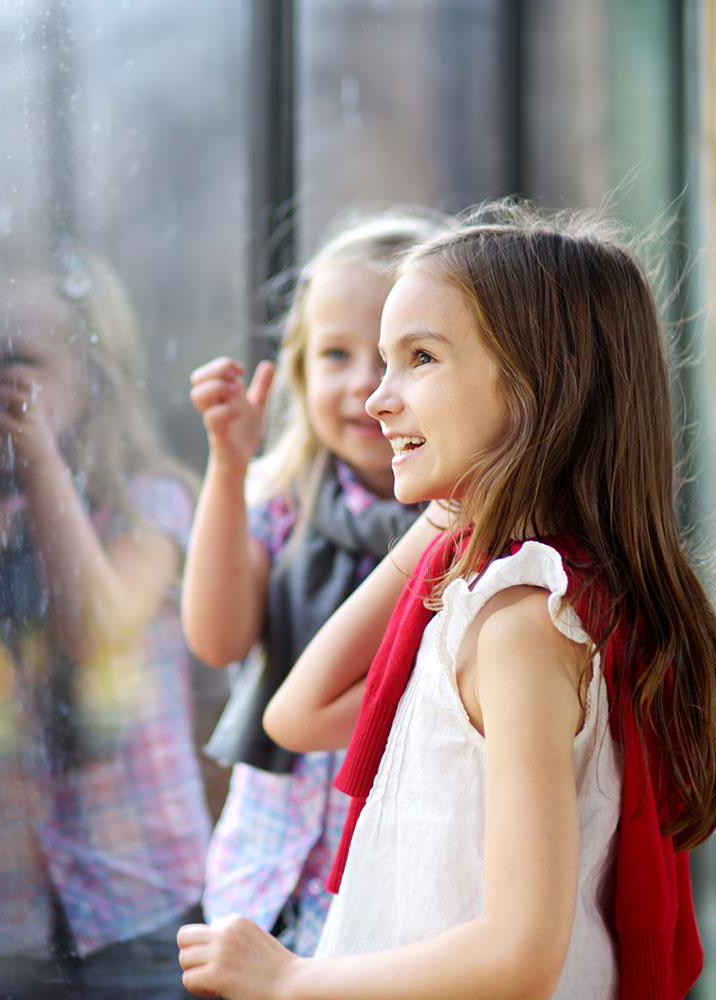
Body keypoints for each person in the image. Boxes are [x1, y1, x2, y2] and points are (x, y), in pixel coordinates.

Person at [176, 199, 716, 1000]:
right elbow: (294, 712)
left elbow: (520, 955)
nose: (376, 400)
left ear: (539, 387)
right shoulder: (486, 592)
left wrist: (290, 980)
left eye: (419, 358)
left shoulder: (524, 628)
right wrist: (451, 506)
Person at [0, 245, 213, 1000]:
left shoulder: (149, 505)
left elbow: (94, 629)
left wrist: (40, 467)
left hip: (137, 898)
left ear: (93, 379)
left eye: (16, 363)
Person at [182, 210, 443, 956]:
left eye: (409, 357)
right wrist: (228, 470)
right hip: (267, 876)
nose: (367, 384)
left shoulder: (468, 519)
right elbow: (217, 637)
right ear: (296, 371)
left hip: (395, 889)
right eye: (336, 354)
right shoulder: (275, 499)